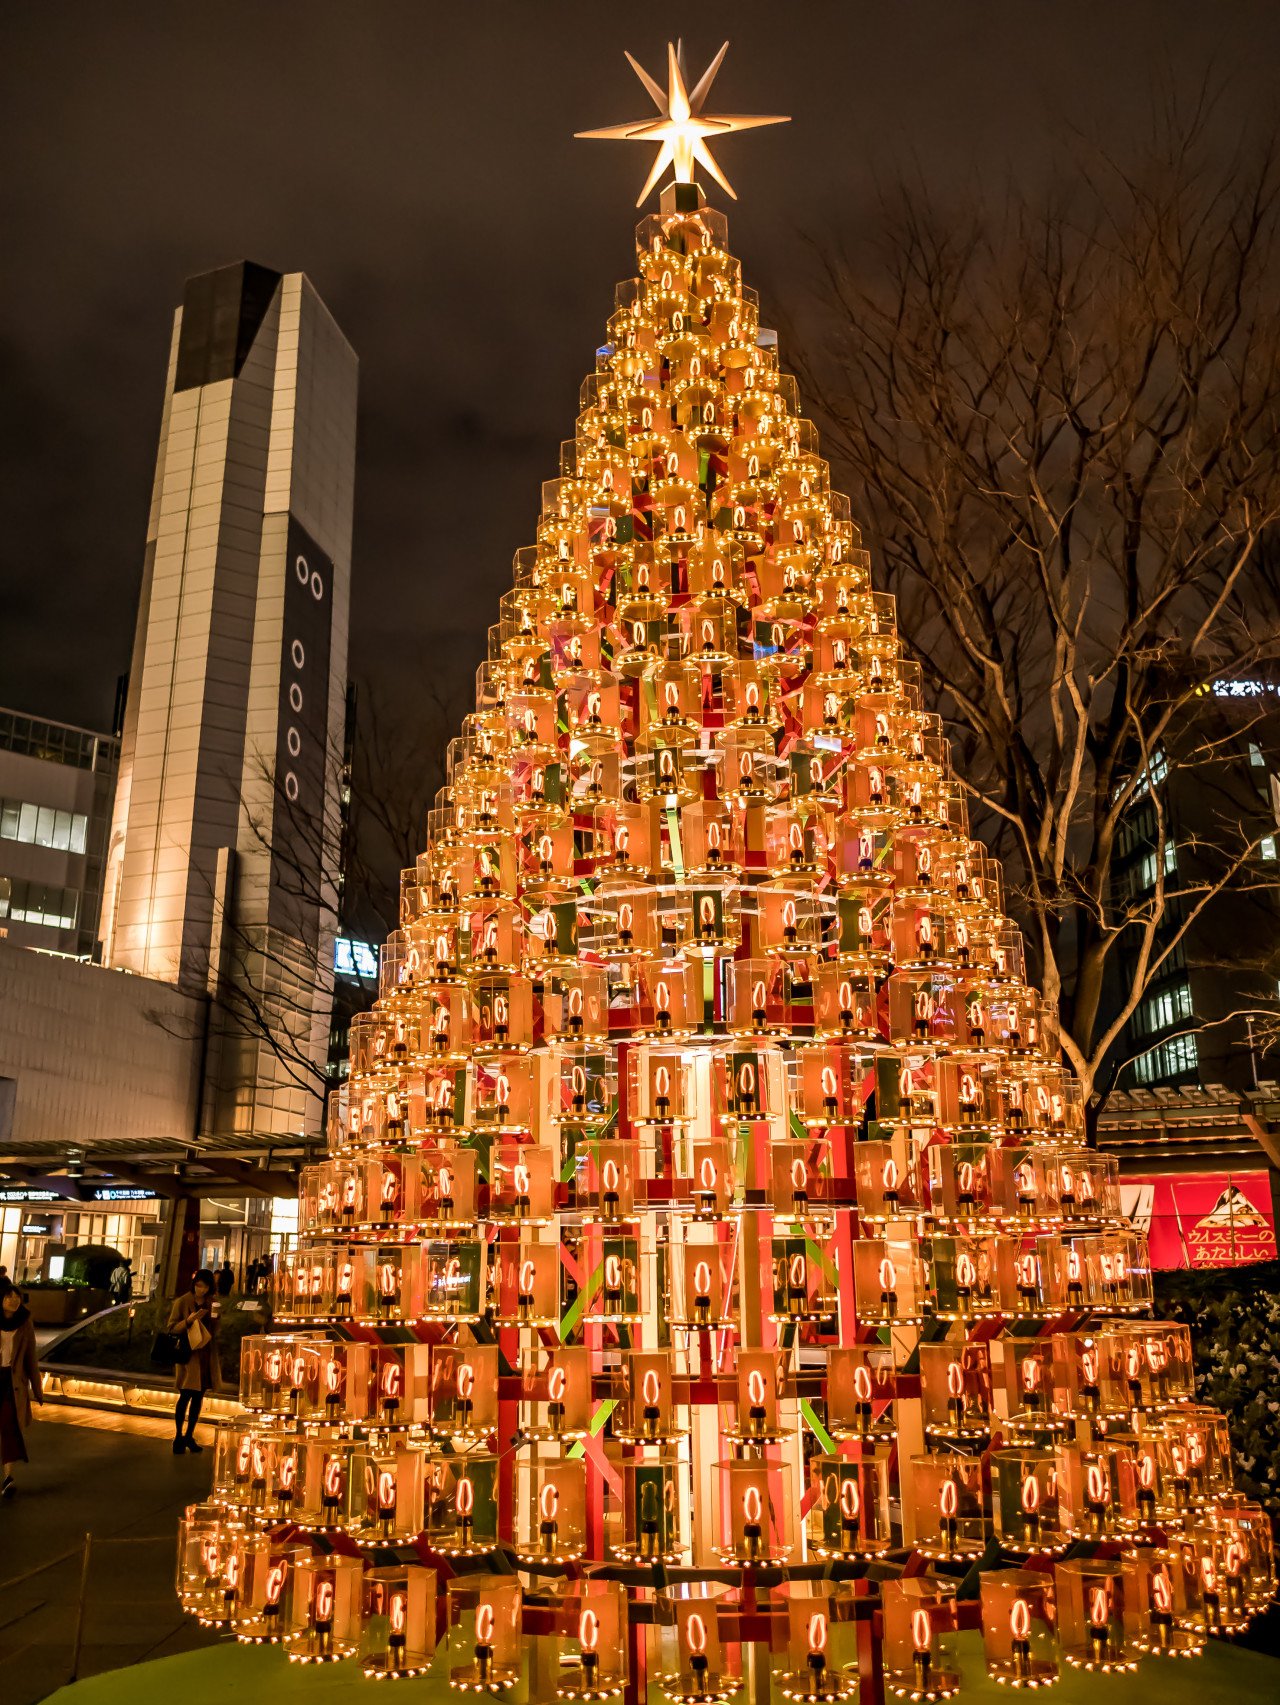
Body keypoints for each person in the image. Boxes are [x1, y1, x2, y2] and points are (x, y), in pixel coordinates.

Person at [167, 1269, 221, 1455]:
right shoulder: (183, 1301)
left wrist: (216, 1317)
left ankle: (189, 1435)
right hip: (188, 1355)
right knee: (185, 1396)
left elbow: (215, 1330)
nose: (201, 1290)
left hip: (205, 1354)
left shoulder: (212, 1303)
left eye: (205, 1286)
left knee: (198, 1397)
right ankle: (178, 1436)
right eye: (198, 1285)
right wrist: (188, 1321)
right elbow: (172, 1327)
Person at [1, 1285, 42, 1497]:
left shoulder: (25, 1323)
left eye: (17, 1297)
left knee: (8, 1426)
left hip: (11, 1381)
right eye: (9, 1296)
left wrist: (37, 1387)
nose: (14, 1300)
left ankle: (8, 1476)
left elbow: (31, 1359)